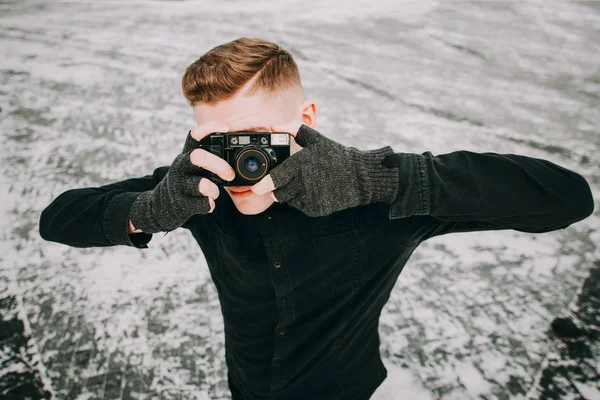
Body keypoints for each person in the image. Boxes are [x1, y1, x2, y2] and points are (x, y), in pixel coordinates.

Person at [39, 37, 595, 400]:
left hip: (347, 389)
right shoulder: (197, 191)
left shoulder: (374, 195)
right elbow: (57, 219)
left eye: (255, 141)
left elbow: (565, 198)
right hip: (249, 387)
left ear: (304, 120)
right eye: (216, 141)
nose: (241, 167)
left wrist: (377, 178)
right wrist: (145, 211)